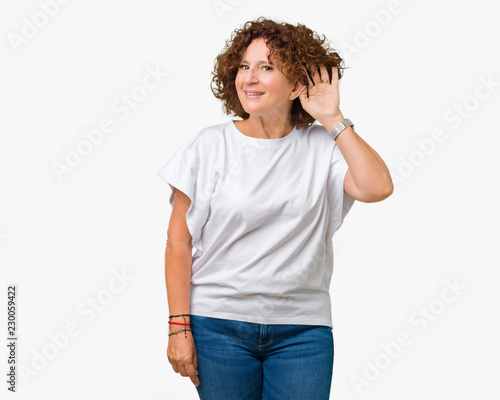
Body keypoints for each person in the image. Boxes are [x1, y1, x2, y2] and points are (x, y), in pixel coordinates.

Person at [157, 17, 393, 400]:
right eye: (244, 66)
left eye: (266, 67)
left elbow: (377, 187)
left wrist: (332, 119)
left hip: (303, 331)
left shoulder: (323, 146)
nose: (249, 78)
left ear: (298, 83)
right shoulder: (209, 145)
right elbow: (177, 243)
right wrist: (178, 326)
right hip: (218, 325)